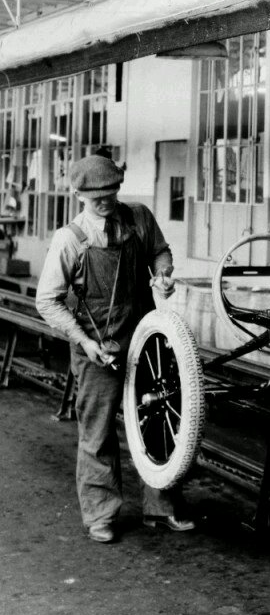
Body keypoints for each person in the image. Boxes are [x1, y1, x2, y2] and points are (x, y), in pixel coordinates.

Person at [35, 154, 193, 544]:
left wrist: (164, 275)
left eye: (111, 193)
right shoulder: (69, 240)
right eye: (96, 198)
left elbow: (160, 249)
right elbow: (47, 301)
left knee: (159, 421)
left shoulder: (138, 217)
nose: (106, 202)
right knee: (98, 431)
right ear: (78, 195)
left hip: (145, 337)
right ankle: (100, 514)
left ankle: (161, 506)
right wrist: (84, 341)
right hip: (97, 346)